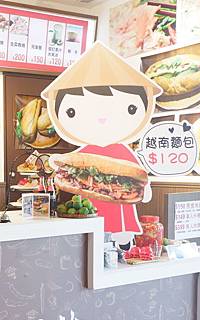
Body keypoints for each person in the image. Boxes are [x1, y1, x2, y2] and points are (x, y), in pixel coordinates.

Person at [42, 42, 163, 244]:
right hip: (91, 206)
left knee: (119, 236)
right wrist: (58, 161)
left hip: (121, 205)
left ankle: (121, 244)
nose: (102, 117)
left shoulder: (122, 151)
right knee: (92, 238)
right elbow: (71, 162)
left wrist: (146, 186)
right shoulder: (85, 153)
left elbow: (138, 174)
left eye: (129, 109)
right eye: (73, 112)